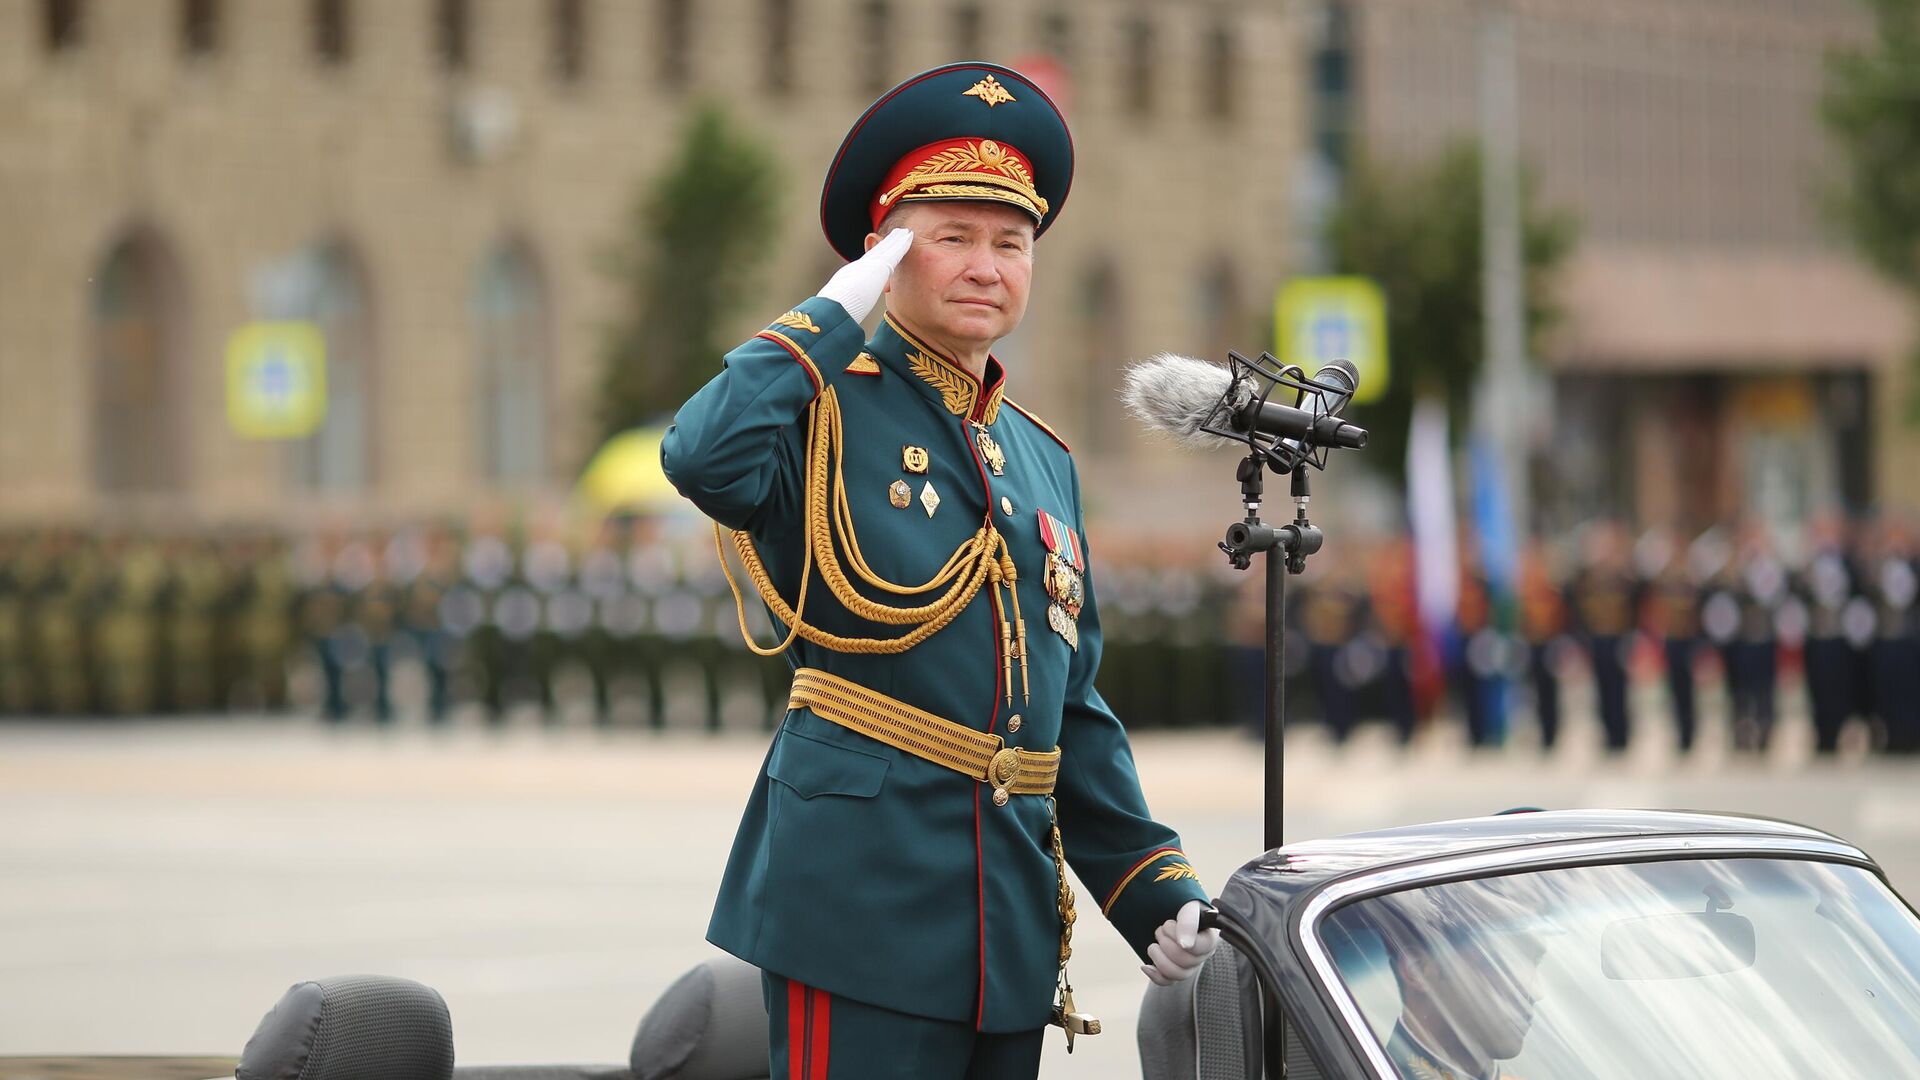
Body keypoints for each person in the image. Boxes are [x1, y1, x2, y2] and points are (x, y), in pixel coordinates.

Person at [661, 62, 1217, 1079]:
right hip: (856, 910)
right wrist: (833, 315)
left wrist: (1152, 887)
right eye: (950, 237)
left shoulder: (1042, 459)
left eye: (1011, 244)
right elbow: (700, 455)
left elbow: (1069, 710)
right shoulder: (822, 407)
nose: (986, 266)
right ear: (886, 254)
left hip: (1001, 926)